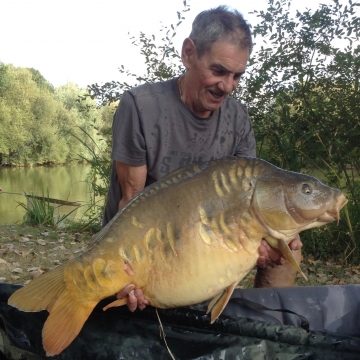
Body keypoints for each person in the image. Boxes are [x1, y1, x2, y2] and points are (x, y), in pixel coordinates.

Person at [102, 6, 302, 311]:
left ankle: (263, 331)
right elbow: (131, 201)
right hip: (149, 240)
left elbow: (245, 204)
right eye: (219, 71)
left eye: (237, 76)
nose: (228, 86)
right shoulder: (140, 106)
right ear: (189, 53)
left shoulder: (237, 119)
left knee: (288, 248)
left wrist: (260, 246)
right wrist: (132, 272)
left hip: (209, 237)